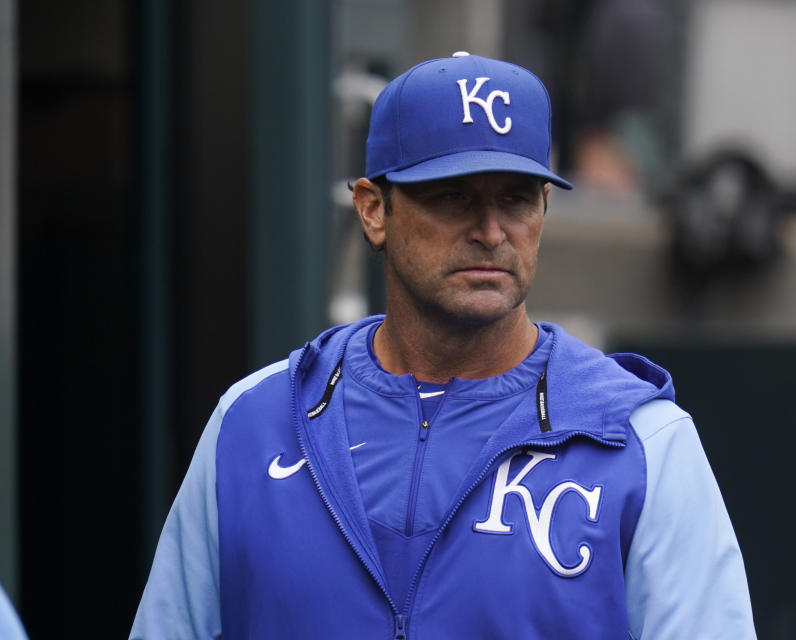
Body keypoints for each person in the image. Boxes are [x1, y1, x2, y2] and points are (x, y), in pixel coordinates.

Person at [131, 52, 755, 639]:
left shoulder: (641, 442)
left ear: (543, 206)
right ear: (374, 210)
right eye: (451, 195)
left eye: (514, 198)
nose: (490, 231)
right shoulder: (255, 422)